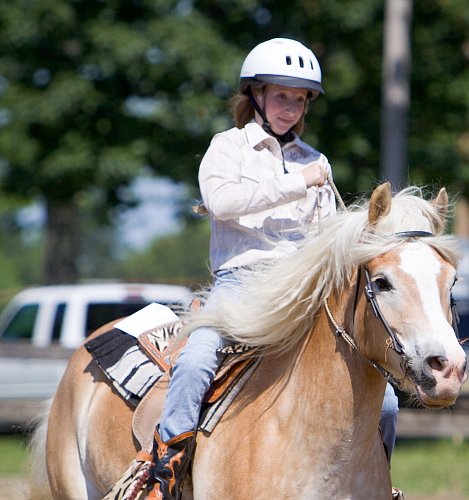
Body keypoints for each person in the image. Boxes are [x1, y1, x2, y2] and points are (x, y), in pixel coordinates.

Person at [146, 38, 399, 499]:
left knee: (385, 399)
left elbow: (326, 238)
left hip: (302, 294)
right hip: (240, 285)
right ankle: (168, 463)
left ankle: (373, 478)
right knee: (198, 356)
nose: (289, 107)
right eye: (281, 95)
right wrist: (295, 182)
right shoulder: (228, 148)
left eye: (299, 99)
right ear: (256, 95)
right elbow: (220, 203)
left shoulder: (316, 160)